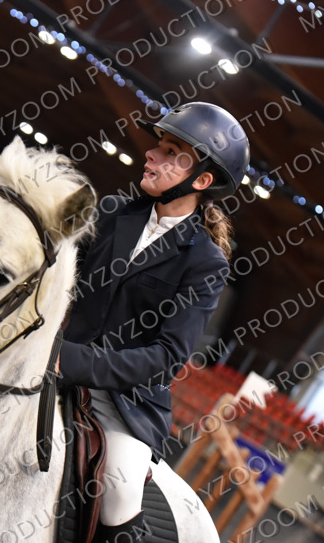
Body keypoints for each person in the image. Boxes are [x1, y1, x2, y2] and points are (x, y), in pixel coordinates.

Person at [56, 102, 250, 541]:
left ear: (200, 180)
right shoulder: (110, 213)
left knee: (119, 491)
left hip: (122, 403)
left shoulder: (205, 263)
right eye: (159, 145)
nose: (152, 155)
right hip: (50, 365)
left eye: (171, 153)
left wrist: (69, 359)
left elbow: (166, 358)